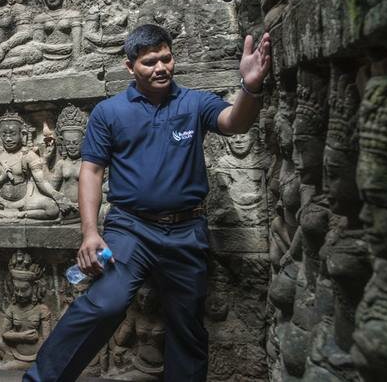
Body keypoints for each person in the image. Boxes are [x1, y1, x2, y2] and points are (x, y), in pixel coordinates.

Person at [24, 23, 272, 381]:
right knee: (104, 303)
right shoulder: (109, 113)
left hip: (187, 231)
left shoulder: (193, 103)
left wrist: (250, 86)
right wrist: (90, 233)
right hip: (130, 229)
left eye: (166, 59)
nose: (161, 68)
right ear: (130, 67)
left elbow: (234, 122)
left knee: (187, 324)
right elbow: (91, 171)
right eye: (150, 62)